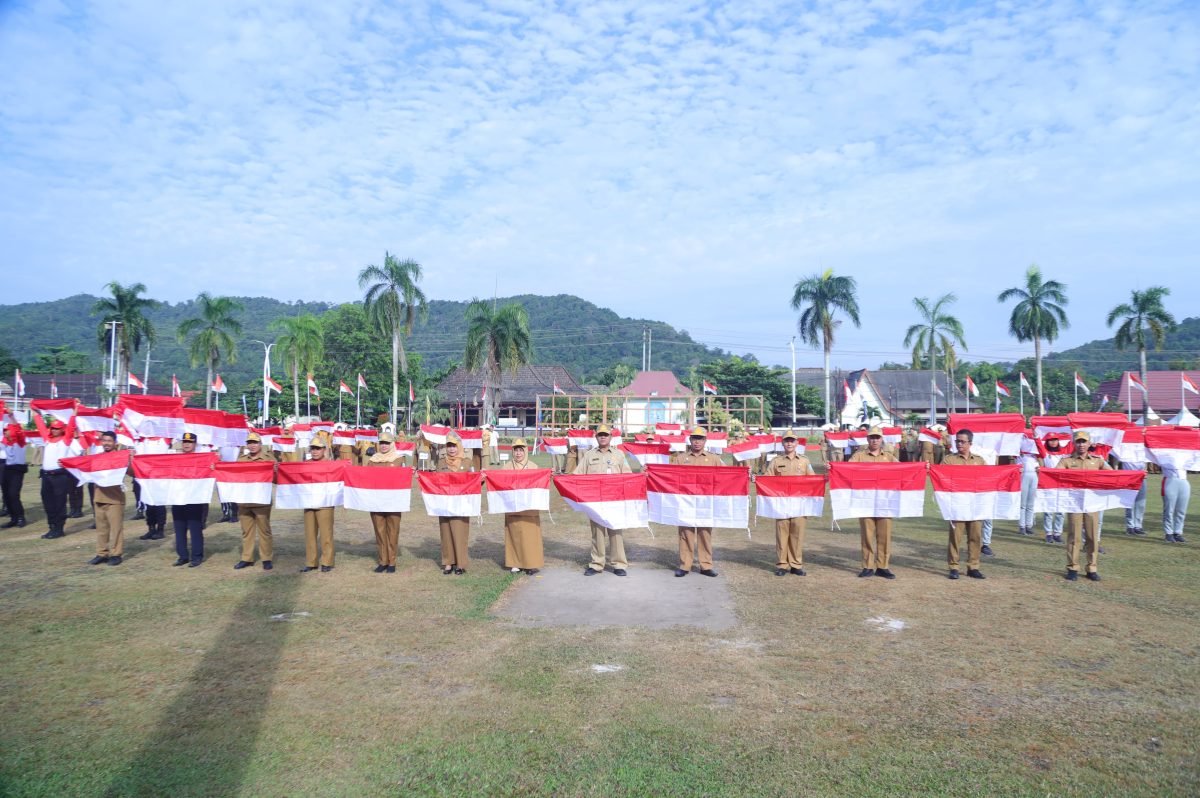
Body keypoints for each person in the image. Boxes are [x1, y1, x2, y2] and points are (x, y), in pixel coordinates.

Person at [574, 425, 631, 576]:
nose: (603, 437)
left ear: (611, 437)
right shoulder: (588, 455)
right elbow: (577, 475)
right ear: (596, 437)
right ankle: (597, 564)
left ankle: (619, 564)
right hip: (595, 501)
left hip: (613, 500)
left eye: (606, 435)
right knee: (597, 533)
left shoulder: (619, 455)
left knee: (615, 532)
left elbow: (628, 476)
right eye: (600, 435)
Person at [1059, 430, 1111, 581]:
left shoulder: (1098, 461)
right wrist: (1041, 471)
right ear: (1074, 443)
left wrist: (1137, 475)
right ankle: (1072, 568)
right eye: (1078, 441)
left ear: (1089, 443)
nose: (1081, 444)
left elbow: (1114, 476)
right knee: (1074, 536)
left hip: (1092, 503)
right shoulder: (1066, 461)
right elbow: (1055, 475)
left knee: (1092, 537)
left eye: (1084, 441)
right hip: (1074, 503)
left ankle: (1092, 568)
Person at [672, 427, 723, 577]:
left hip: (706, 502)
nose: (697, 441)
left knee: (704, 533)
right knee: (685, 533)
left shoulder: (714, 459)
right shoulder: (681, 458)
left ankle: (706, 565)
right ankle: (685, 565)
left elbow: (723, 478)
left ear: (705, 441)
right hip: (686, 501)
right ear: (690, 440)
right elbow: (672, 478)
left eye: (700, 439)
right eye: (694, 438)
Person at [849, 426, 899, 579]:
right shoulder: (859, 456)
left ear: (881, 439)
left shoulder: (889, 457)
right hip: (866, 501)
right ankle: (868, 566)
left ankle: (883, 566)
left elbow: (903, 470)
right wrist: (832, 467)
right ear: (867, 439)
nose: (875, 440)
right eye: (872, 437)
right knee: (867, 535)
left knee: (884, 535)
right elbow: (846, 469)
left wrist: (922, 467)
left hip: (885, 502)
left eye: (877, 437)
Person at [766, 430, 816, 576]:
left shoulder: (805, 461)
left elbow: (812, 479)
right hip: (781, 504)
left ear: (797, 443)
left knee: (797, 534)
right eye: (786, 441)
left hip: (800, 503)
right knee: (782, 534)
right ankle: (782, 565)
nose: (789, 443)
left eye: (792, 441)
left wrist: (823, 478)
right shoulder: (776, 461)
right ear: (782, 443)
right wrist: (758, 480)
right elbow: (767, 479)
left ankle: (796, 564)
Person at [942, 429, 988, 580]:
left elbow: (987, 479)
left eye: (962, 441)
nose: (959, 444)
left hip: (975, 505)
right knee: (955, 537)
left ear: (970, 443)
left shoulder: (980, 460)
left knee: (975, 536)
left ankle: (973, 567)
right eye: (957, 441)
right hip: (957, 504)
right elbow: (942, 478)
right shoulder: (949, 460)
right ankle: (954, 566)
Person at [233, 432, 275, 571]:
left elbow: (276, 479)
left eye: (255, 443)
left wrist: (275, 471)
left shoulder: (269, 459)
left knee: (264, 530)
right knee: (246, 531)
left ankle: (266, 558)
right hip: (244, 501)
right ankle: (247, 558)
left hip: (261, 501)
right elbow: (234, 478)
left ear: (260, 444)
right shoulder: (241, 460)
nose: (252, 445)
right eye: (250, 443)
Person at [501, 438, 544, 575]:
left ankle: (531, 564)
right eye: (516, 450)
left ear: (525, 450)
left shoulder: (533, 466)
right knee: (514, 534)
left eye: (521, 450)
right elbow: (499, 482)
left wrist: (548, 474)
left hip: (529, 508)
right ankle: (515, 563)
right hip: (513, 507)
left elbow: (540, 482)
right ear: (512, 451)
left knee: (530, 535)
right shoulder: (507, 467)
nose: (518, 453)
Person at [366, 431, 404, 573]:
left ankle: (392, 561)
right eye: (381, 443)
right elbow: (366, 478)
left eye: (387, 443)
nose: (383, 446)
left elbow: (403, 477)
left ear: (392, 444)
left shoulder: (399, 459)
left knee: (393, 531)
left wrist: (409, 472)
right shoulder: (372, 460)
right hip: (376, 500)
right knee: (379, 530)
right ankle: (383, 561)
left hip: (393, 500)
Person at [38, 418, 81, 539]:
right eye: (52, 428)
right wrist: (35, 412)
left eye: (57, 428)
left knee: (59, 503)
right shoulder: (47, 439)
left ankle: (59, 528)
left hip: (60, 476)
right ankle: (52, 526)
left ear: (62, 429)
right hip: (46, 476)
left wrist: (74, 411)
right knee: (48, 503)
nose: (54, 430)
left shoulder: (66, 440)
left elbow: (71, 425)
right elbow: (40, 424)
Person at [89, 431, 128, 566]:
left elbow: (133, 472)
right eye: (104, 440)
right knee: (101, 529)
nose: (106, 443)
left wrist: (131, 459)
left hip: (115, 499)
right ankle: (102, 553)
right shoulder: (96, 457)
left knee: (116, 529)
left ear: (115, 443)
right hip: (99, 497)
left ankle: (116, 554)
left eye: (109, 440)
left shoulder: (121, 457)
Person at [436, 433, 473, 575]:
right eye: (449, 446)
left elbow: (474, 481)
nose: (451, 449)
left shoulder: (467, 462)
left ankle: (460, 564)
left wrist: (481, 479)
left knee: (459, 532)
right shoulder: (441, 462)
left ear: (459, 447)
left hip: (461, 503)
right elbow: (435, 480)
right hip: (444, 502)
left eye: (454, 446)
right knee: (445, 532)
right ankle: (448, 563)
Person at [300, 434, 337, 573]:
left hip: (325, 504)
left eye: (318, 448)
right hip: (309, 503)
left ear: (324, 450)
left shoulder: (331, 465)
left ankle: (327, 562)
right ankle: (311, 562)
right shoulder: (305, 465)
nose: (315, 451)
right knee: (310, 534)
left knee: (326, 534)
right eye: (313, 448)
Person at [170, 433, 207, 568]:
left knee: (195, 528)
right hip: (178, 498)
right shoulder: (175, 458)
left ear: (195, 444)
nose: (186, 444)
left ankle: (197, 556)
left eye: (190, 442)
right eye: (185, 441)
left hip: (194, 499)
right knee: (179, 529)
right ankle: (183, 556)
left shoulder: (201, 459)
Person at [1, 424, 28, 528]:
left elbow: (18, 429)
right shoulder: (6, 443)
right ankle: (13, 518)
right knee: (6, 495)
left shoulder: (20, 443)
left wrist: (12, 416)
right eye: (4, 431)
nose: (5, 432)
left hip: (17, 471)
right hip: (7, 470)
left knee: (13, 494)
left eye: (7, 430)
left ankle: (21, 517)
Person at [1161, 454, 1190, 544]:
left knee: (1181, 510)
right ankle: (1168, 533)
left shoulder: (1185, 453)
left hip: (1184, 481)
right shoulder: (1164, 453)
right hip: (1170, 479)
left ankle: (1177, 533)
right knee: (1169, 510)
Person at [1042, 438, 1066, 543]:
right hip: (1049, 484)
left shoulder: (1064, 453)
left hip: (1062, 484)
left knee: (1061, 510)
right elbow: (1038, 443)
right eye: (1050, 440)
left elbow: (1072, 440)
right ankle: (1048, 533)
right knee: (1048, 510)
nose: (1053, 442)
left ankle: (1057, 533)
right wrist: (1035, 433)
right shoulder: (1045, 453)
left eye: (1055, 440)